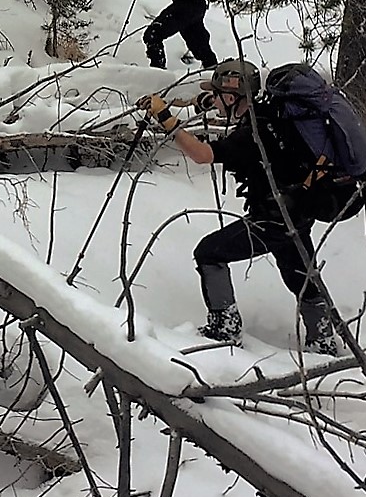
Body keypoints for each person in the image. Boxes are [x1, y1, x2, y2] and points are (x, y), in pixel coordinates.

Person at [137, 59, 341, 355]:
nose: (215, 102)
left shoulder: (251, 135)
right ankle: (322, 339)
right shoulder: (271, 116)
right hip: (297, 211)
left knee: (208, 252)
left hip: (272, 218)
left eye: (219, 96)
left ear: (232, 97)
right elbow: (218, 106)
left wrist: (166, 119)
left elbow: (202, 154)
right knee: (301, 275)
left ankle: (225, 328)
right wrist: (203, 99)